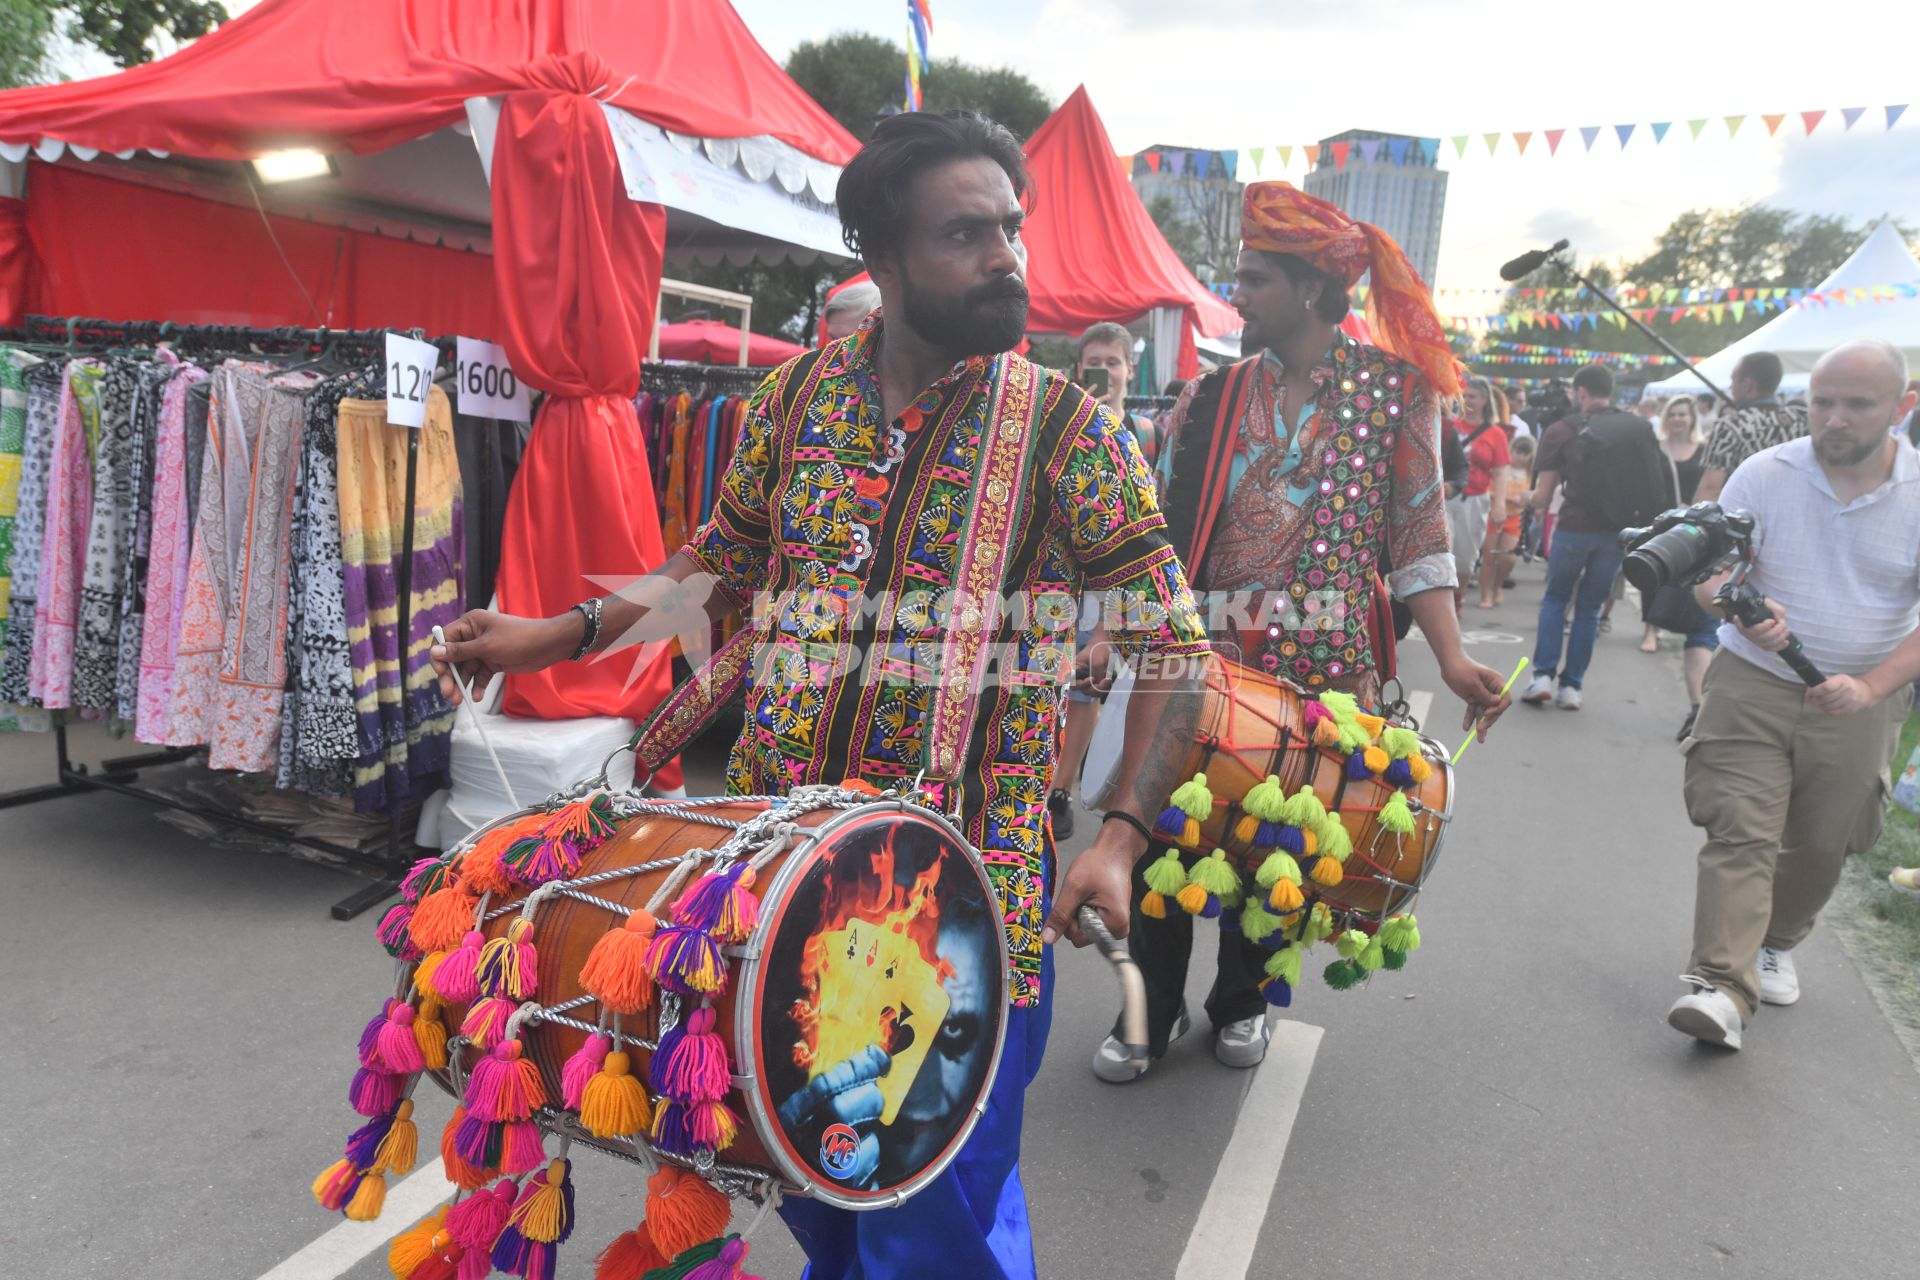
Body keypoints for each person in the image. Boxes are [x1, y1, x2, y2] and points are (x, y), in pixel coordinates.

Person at [428, 109, 1213, 1280]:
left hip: (965, 904)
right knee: (796, 1168)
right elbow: (715, 565)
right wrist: (552, 634)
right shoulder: (795, 401)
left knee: (938, 1214)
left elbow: (1177, 650)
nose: (1008, 255)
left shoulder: (1068, 432)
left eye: (1012, 226)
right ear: (883, 263)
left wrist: (1118, 835)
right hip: (772, 873)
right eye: (967, 233)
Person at [1090, 180, 1511, 1083]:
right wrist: (1112, 633)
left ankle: (1243, 1001)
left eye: (1254, 280)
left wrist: (1453, 656)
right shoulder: (1207, 396)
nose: (1236, 295)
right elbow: (1154, 531)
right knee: (1161, 832)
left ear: (1314, 291)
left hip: (1327, 675)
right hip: (1204, 662)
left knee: (1277, 843)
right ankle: (1147, 1011)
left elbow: (1418, 534)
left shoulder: (1397, 395)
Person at [1666, 339, 1920, 1052]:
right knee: (1739, 828)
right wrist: (1737, 605)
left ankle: (1775, 940)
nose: (1834, 419)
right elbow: (1708, 570)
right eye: (1823, 403)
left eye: (1857, 404)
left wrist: (1869, 685)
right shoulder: (1763, 473)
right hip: (1751, 682)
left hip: (1860, 702)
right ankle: (1720, 985)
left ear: (1902, 408)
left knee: (1824, 842)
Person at [1049, 322, 1164, 840]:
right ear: (1080, 371)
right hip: (1061, 582)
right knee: (1063, 683)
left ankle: (1065, 789)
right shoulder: (1061, 423)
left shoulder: (1148, 434)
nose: (1105, 372)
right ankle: (1049, 785)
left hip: (1115, 582)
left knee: (1092, 688)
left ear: (1128, 370)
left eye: (1113, 363)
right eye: (1095, 363)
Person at [1520, 363, 1676, 711]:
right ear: (1611, 391)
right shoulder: (1636, 427)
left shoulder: (1561, 430)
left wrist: (1525, 499)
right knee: (1590, 609)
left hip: (1574, 528)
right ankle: (1572, 687)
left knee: (1557, 599)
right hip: (1617, 533)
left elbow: (1543, 498)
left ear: (1581, 392)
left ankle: (1542, 676)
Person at [1636, 396, 1719, 737]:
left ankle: (1700, 706)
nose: (1680, 418)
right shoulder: (1657, 448)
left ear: (1692, 417)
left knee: (1690, 594)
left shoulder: (1705, 450)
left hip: (1696, 531)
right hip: (1662, 525)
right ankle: (1651, 629)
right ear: (1667, 417)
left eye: (1685, 413)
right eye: (1674, 413)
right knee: (1654, 579)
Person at [1693, 352, 1807, 502]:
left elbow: (1710, 489)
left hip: (1745, 518)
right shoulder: (1801, 420)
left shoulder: (1731, 425)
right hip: (1794, 512)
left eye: (1733, 380)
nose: (1730, 387)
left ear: (1747, 385)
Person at [1446, 377, 1511, 605]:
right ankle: (1442, 605)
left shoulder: (1496, 434)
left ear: (1484, 400)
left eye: (1472, 396)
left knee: (1465, 561)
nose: (1466, 400)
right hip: (1445, 498)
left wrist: (1500, 505)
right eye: (1463, 396)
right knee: (1442, 555)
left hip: (1474, 501)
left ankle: (1458, 596)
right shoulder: (1449, 426)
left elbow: (1500, 472)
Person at [1481, 433, 1534, 608]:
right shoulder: (1501, 469)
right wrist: (1504, 499)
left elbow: (1535, 496)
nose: (1521, 457)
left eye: (1526, 454)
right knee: (1489, 557)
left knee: (1509, 558)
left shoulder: (1531, 474)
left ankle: (1497, 586)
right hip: (1494, 515)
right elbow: (1487, 490)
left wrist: (1527, 500)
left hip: (1515, 518)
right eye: (1518, 452)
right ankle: (1485, 593)